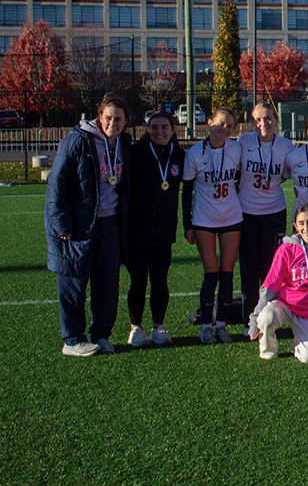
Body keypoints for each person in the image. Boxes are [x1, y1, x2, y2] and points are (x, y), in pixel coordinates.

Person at [46, 93, 132, 356]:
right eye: (108, 118)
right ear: (99, 117)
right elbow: (57, 185)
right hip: (80, 224)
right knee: (74, 281)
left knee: (107, 282)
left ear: (126, 121)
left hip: (110, 223)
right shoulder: (77, 140)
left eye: (118, 119)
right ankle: (72, 339)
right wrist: (62, 224)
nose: (113, 123)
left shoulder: (124, 142)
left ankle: (101, 335)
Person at [182, 106, 243, 344]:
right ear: (209, 122)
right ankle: (206, 326)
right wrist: (187, 224)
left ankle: (222, 325)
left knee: (227, 274)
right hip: (204, 220)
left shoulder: (236, 148)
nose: (224, 129)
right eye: (220, 124)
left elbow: (239, 175)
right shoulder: (195, 153)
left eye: (229, 126)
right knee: (211, 274)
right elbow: (186, 191)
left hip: (231, 218)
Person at [125, 110, 185, 347]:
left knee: (160, 280)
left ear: (172, 130)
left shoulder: (179, 155)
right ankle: (135, 328)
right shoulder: (136, 153)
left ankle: (158, 326)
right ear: (147, 130)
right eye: (154, 127)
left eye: (164, 127)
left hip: (164, 229)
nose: (159, 131)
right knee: (138, 281)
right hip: (137, 229)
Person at [236, 102, 295, 332]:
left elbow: (286, 175)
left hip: (274, 212)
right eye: (258, 119)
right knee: (248, 270)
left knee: (270, 270)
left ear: (276, 121)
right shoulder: (244, 141)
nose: (264, 124)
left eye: (268, 118)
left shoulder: (286, 146)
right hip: (246, 213)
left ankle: (268, 319)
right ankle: (248, 321)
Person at [247, 204, 308, 363]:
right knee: (266, 319)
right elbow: (270, 286)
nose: (307, 227)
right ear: (295, 226)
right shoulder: (287, 248)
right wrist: (254, 317)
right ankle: (268, 350)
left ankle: (298, 344)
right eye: (301, 223)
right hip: (285, 304)